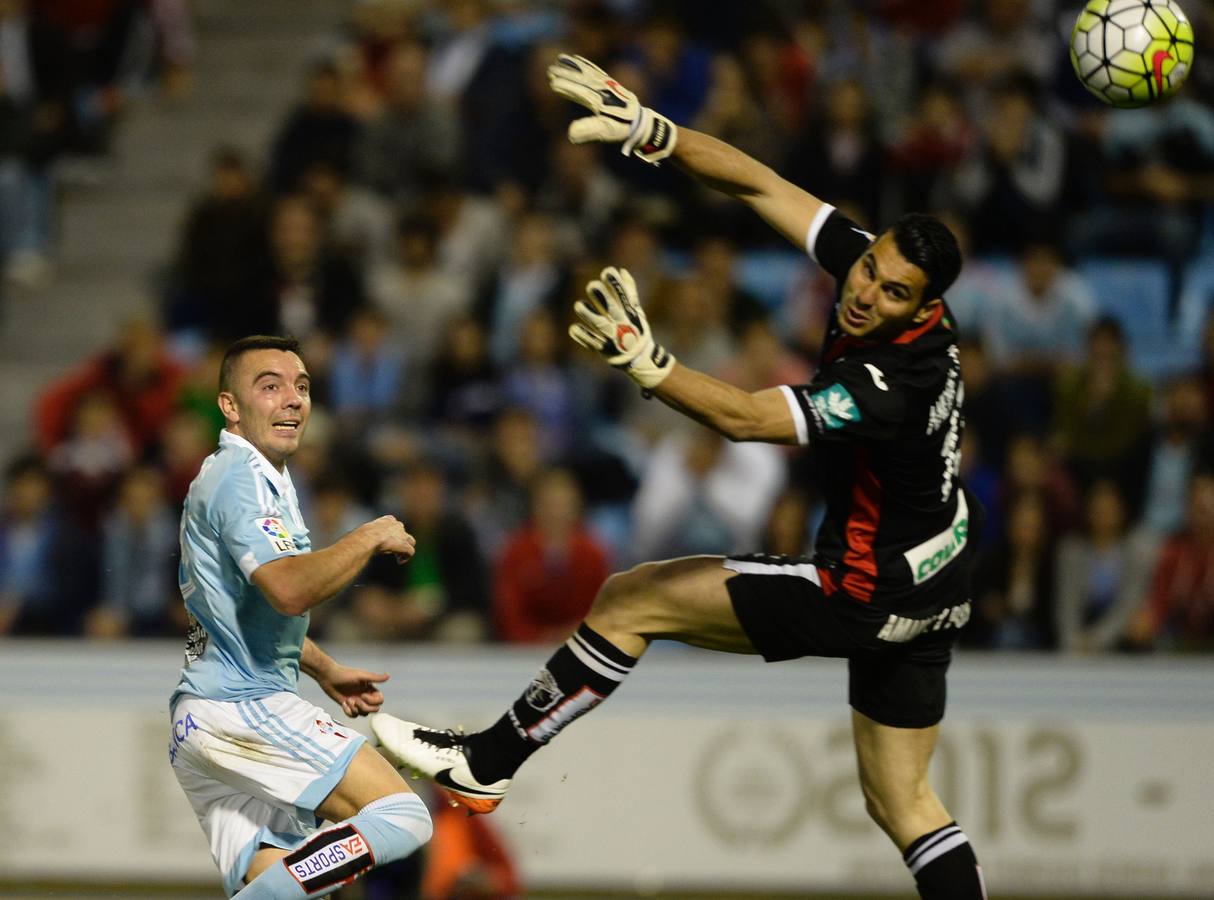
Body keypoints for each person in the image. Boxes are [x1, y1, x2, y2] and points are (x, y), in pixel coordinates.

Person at [372, 55, 986, 899]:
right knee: (903, 802)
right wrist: (652, 132)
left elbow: (744, 420)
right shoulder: (898, 292)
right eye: (868, 267)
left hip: (868, 586)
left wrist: (649, 365)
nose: (863, 291)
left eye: (888, 292)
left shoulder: (890, 385)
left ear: (922, 311)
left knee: (634, 598)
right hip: (940, 570)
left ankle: (485, 761)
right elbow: (764, 186)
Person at [168, 335, 432, 898]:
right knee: (403, 816)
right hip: (242, 707)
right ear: (230, 406)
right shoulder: (241, 478)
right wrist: (368, 534)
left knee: (285, 886)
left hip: (201, 720)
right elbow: (288, 591)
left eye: (303, 387)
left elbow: (247, 611)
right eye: (271, 386)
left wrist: (321, 667)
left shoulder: (258, 476)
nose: (293, 400)